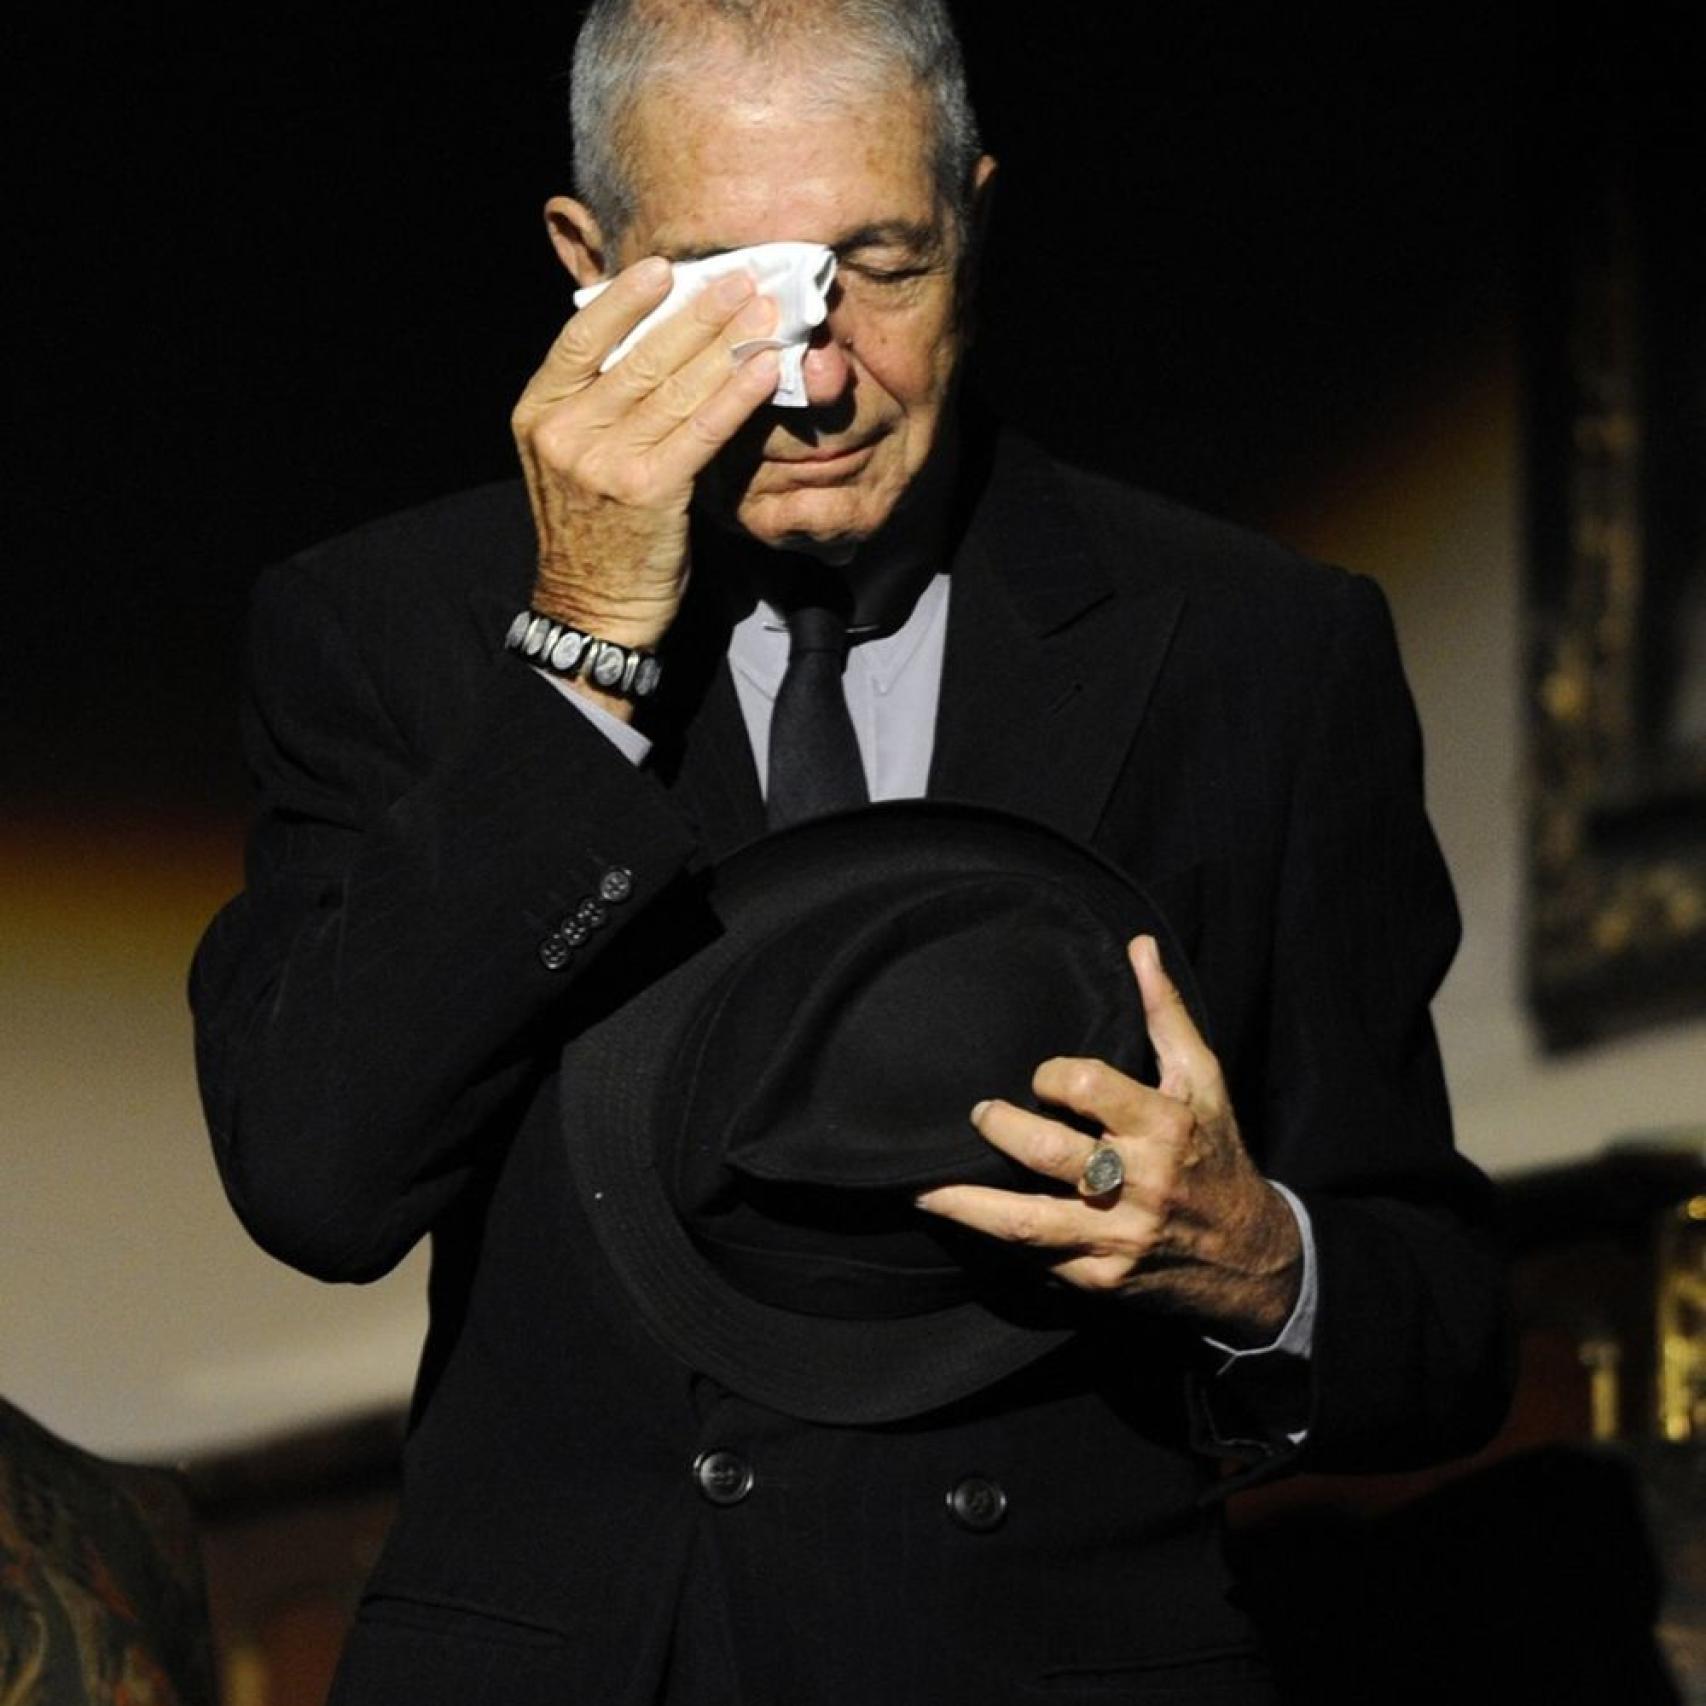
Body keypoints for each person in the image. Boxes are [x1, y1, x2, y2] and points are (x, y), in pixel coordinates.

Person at [191, 2, 1509, 1701]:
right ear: (584, 261)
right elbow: (314, 1180)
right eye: (725, 290)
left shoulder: (1254, 648)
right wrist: (583, 643)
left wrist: (1258, 1259)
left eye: (875, 271)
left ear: (970, 219)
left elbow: (1447, 1317)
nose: (811, 378)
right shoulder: (389, 632)